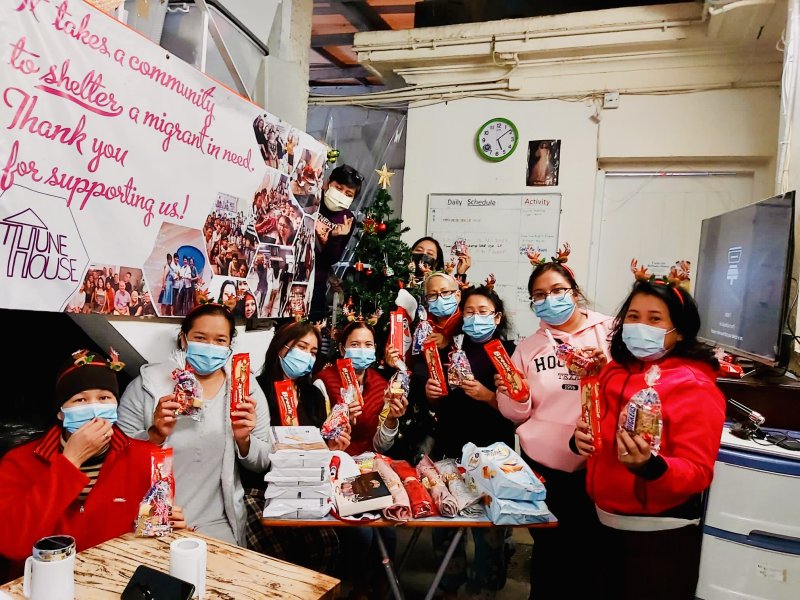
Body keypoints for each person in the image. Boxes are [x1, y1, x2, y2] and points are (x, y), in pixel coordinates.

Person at [573, 277, 725, 600]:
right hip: (604, 522)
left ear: (679, 331)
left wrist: (650, 467)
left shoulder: (695, 385)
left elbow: (698, 471)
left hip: (657, 536)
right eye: (633, 316)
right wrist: (581, 439)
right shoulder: (614, 371)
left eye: (655, 319)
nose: (641, 326)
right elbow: (599, 428)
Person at [0, 350, 186, 575]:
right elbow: (12, 544)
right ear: (60, 413)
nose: (94, 408)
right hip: (42, 582)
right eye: (80, 400)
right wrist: (70, 461)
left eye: (104, 398)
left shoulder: (149, 458)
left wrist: (168, 528)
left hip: (117, 579)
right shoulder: (19, 462)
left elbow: (153, 540)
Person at [496, 247, 612, 600]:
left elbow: (633, 387)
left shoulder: (610, 332)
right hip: (546, 469)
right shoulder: (528, 347)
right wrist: (515, 395)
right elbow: (515, 413)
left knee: (595, 558)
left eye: (558, 290)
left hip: (598, 466)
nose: (550, 300)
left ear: (574, 292)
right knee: (551, 556)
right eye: (539, 295)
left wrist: (605, 369)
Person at [117, 304, 271, 545]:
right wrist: (155, 435)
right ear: (184, 339)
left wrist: (244, 440)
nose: (210, 346)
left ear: (229, 345)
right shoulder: (146, 386)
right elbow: (117, 459)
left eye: (220, 340)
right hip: (155, 518)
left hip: (217, 524)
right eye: (200, 337)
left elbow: (263, 461)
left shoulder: (245, 389)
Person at [422, 284, 517, 598]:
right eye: (470, 312)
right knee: (446, 522)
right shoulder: (450, 351)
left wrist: (488, 396)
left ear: (497, 316)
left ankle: (486, 587)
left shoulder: (510, 353)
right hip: (449, 450)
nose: (475, 318)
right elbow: (440, 403)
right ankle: (449, 585)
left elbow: (521, 409)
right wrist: (432, 396)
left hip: (492, 454)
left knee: (490, 528)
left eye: (483, 311)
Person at [245, 322, 339, 574]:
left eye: (313, 352)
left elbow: (320, 445)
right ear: (281, 348)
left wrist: (331, 446)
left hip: (303, 487)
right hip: (260, 487)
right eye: (302, 347)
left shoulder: (313, 395)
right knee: (274, 552)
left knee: (327, 544)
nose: (307, 356)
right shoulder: (256, 389)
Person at [315, 321, 408, 456]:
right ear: (342, 349)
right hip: (331, 458)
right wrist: (341, 421)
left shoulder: (380, 386)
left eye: (368, 345)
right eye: (355, 344)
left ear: (374, 348)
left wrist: (391, 419)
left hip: (368, 462)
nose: (362, 350)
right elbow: (314, 437)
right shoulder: (324, 382)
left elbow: (380, 446)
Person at [310, 165, 363, 320]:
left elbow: (331, 259)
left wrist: (335, 238)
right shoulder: (312, 199)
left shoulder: (347, 219)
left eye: (348, 194)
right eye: (338, 188)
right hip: (291, 274)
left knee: (313, 327)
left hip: (316, 282)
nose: (341, 195)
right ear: (327, 184)